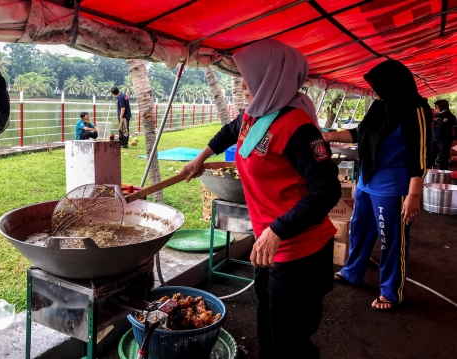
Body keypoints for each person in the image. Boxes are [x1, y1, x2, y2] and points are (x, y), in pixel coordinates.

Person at [181, 39, 341, 359]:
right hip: (269, 244)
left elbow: (327, 191)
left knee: (290, 339)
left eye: (249, 76)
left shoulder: (297, 127)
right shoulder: (257, 113)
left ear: (271, 79)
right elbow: (230, 130)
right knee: (268, 321)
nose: (242, 84)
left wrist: (278, 229)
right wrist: (201, 157)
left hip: (300, 251)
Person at [323, 59, 431, 311]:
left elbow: (422, 155)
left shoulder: (417, 109)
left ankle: (391, 292)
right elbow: (360, 133)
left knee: (391, 241)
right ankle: (352, 272)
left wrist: (414, 194)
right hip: (367, 182)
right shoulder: (379, 106)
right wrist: (328, 136)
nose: (374, 91)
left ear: (393, 83)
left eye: (377, 86)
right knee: (359, 232)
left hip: (394, 188)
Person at [431, 99, 456, 170]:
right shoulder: (435, 116)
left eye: (437, 107)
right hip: (434, 139)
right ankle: (430, 171)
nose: (436, 108)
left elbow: (455, 129)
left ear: (441, 107)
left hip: (444, 141)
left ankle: (443, 173)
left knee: (443, 158)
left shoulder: (451, 117)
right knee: (431, 157)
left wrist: (454, 139)